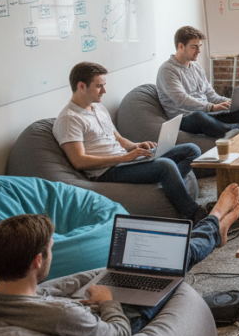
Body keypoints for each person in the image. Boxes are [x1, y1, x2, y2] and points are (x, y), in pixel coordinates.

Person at [0, 184, 239, 336]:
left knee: (159, 259)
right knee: (177, 259)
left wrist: (100, 277)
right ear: (38, 260)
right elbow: (119, 333)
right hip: (119, 315)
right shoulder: (63, 315)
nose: (52, 251)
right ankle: (214, 221)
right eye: (51, 248)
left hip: (84, 303)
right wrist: (108, 301)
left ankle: (213, 226)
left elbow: (44, 292)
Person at [54, 62, 205, 222]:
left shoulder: (99, 108)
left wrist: (135, 146)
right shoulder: (69, 119)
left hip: (125, 161)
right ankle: (194, 213)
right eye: (99, 86)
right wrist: (124, 158)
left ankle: (171, 186)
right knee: (166, 166)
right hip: (106, 171)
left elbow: (118, 139)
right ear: (81, 86)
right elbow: (79, 161)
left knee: (191, 150)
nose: (104, 91)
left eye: (104, 85)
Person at [156, 25, 239, 139]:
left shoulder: (197, 67)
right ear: (181, 46)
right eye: (194, 47)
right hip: (185, 118)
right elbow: (181, 99)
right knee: (198, 116)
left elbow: (211, 95)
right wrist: (211, 107)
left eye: (199, 46)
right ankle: (230, 131)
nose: (199, 51)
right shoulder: (167, 70)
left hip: (207, 113)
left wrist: (230, 102)